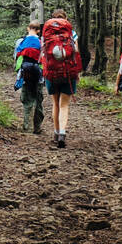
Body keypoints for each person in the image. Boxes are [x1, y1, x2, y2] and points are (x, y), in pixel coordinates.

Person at [40, 8, 82, 149]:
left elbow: (43, 54)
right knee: (64, 104)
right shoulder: (71, 33)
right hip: (68, 74)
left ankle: (56, 132)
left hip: (51, 73)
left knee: (55, 104)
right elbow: (76, 52)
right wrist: (77, 73)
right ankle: (63, 134)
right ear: (66, 19)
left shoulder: (46, 34)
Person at [13, 22, 43, 133]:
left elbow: (16, 57)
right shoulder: (42, 42)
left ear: (27, 28)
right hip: (39, 74)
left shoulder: (20, 41)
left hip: (25, 73)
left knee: (27, 99)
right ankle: (37, 126)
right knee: (38, 99)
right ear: (39, 30)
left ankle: (27, 126)